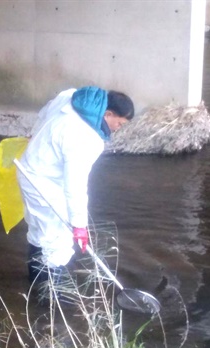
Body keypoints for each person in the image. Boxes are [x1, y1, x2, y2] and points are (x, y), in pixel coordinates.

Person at [17, 86, 134, 285]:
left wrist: (35, 133)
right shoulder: (85, 139)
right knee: (58, 243)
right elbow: (75, 185)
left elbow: (47, 110)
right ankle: (50, 299)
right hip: (42, 182)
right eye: (120, 124)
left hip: (31, 167)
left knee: (40, 233)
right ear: (108, 114)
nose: (118, 129)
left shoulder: (73, 96)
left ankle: (34, 286)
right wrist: (79, 226)